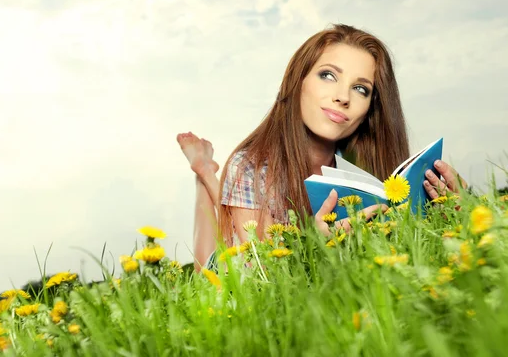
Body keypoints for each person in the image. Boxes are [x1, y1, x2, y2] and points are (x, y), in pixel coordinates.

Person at [177, 24, 466, 271]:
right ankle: (203, 172)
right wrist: (312, 247)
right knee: (207, 266)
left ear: (370, 109)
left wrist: (452, 216)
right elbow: (261, 272)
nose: (343, 97)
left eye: (361, 88)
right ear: (298, 81)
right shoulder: (250, 166)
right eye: (328, 75)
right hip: (237, 267)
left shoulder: (364, 173)